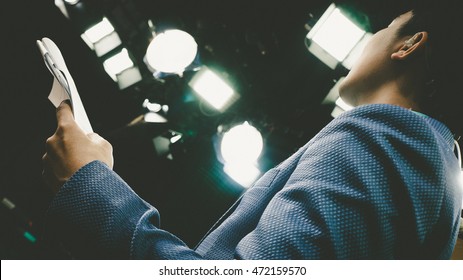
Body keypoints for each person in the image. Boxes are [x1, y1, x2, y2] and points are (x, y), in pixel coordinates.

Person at [42, 1, 463, 259]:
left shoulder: (384, 142)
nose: (371, 36)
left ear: (408, 45)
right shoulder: (435, 180)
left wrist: (89, 184)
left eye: (386, 28)